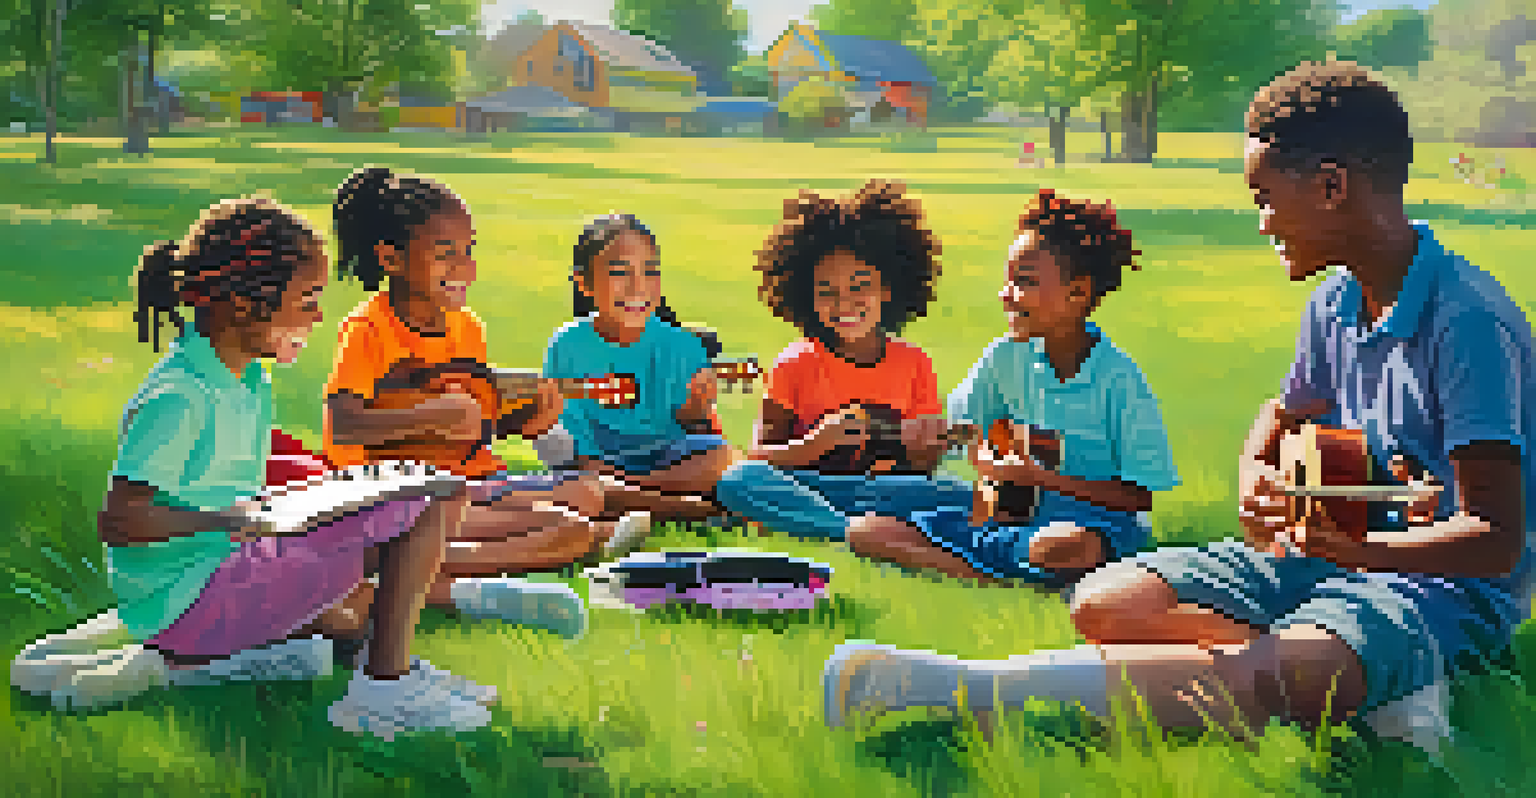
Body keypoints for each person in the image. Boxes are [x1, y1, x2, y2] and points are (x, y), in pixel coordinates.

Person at [822, 61, 1533, 753]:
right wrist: (1255, 470)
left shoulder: (1466, 321)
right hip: (1331, 554)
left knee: (1286, 667)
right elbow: (1281, 413)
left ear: (1331, 186)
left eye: (1264, 197)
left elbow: (1495, 539)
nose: (1262, 223)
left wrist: (1360, 551)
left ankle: (962, 692)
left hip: (1436, 587)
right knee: (1105, 601)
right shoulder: (1335, 301)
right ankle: (1361, 681)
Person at [99, 196, 491, 738]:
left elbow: (230, 478)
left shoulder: (242, 379)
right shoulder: (180, 395)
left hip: (221, 569)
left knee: (426, 495)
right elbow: (122, 520)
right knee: (416, 511)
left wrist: (320, 495)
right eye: (307, 299)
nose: (317, 316)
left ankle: (382, 670)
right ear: (243, 305)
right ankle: (381, 689)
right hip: (188, 599)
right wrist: (226, 519)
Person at [326, 168, 645, 642]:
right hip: (398, 493)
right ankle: (433, 567)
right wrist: (433, 415)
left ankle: (421, 565)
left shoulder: (467, 327)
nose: (465, 268)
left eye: (468, 251)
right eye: (445, 254)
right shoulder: (368, 329)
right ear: (390, 258)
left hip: (470, 480)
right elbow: (344, 425)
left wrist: (530, 419)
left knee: (586, 495)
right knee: (573, 528)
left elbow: (472, 424)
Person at [845, 189, 1179, 588]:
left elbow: (1140, 498)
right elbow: (964, 428)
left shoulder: (1119, 377)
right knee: (865, 530)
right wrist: (946, 442)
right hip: (1007, 514)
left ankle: (986, 568)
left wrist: (1042, 479)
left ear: (1078, 293)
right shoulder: (1004, 356)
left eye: (1025, 282)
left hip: (1090, 523)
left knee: (1067, 546)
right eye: (1008, 280)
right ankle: (995, 575)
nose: (1006, 295)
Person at [714, 180, 973, 541]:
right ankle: (849, 532)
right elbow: (758, 457)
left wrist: (925, 450)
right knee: (738, 481)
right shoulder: (796, 362)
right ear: (807, 295)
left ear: (888, 290)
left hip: (885, 494)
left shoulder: (915, 363)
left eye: (859, 287)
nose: (844, 304)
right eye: (827, 292)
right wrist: (815, 445)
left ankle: (836, 525)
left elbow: (922, 469)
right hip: (812, 488)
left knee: (962, 495)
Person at [543, 213, 739, 525]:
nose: (638, 287)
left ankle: (630, 499)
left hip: (663, 459)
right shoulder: (567, 344)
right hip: (597, 459)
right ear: (584, 283)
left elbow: (686, 428)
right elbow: (569, 428)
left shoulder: (682, 346)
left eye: (650, 272)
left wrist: (696, 409)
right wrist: (593, 468)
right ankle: (686, 508)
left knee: (724, 457)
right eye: (620, 272)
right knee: (573, 473)